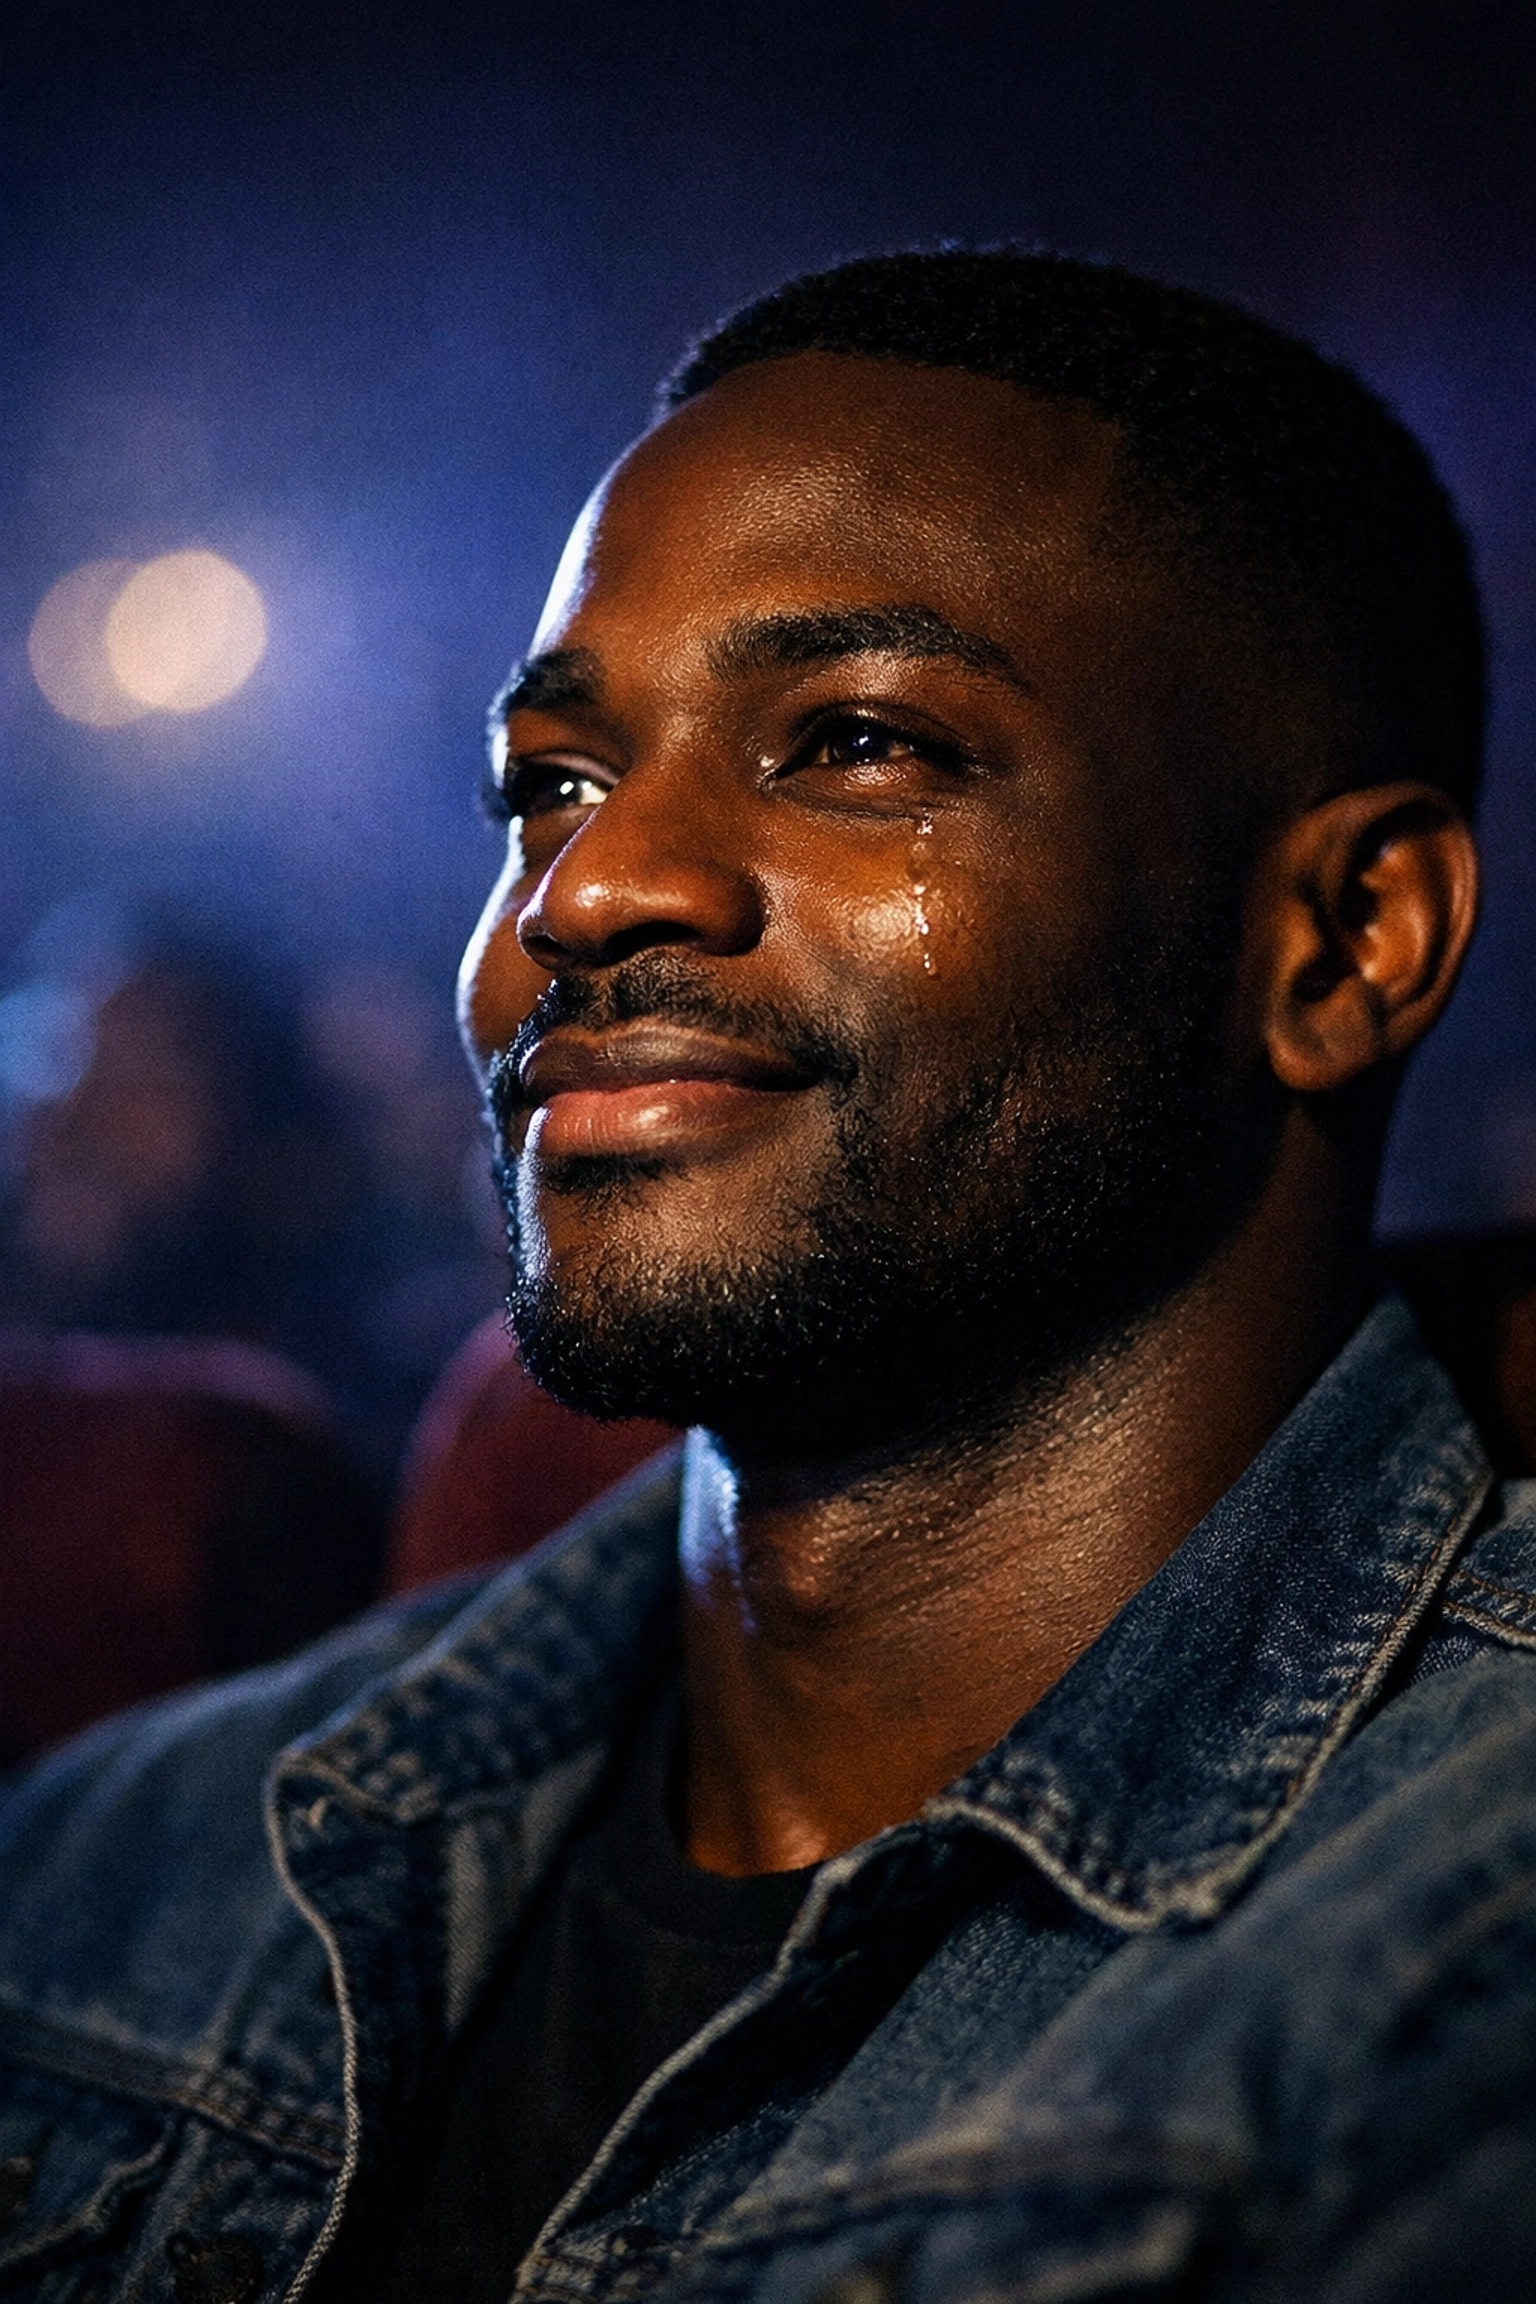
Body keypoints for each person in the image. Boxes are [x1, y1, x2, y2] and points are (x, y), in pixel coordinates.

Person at [0, 249, 1529, 2304]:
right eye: (548, 780)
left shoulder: (1458, 1974)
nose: (593, 881)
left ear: (1344, 941)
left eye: (855, 743)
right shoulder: (114, 1870)